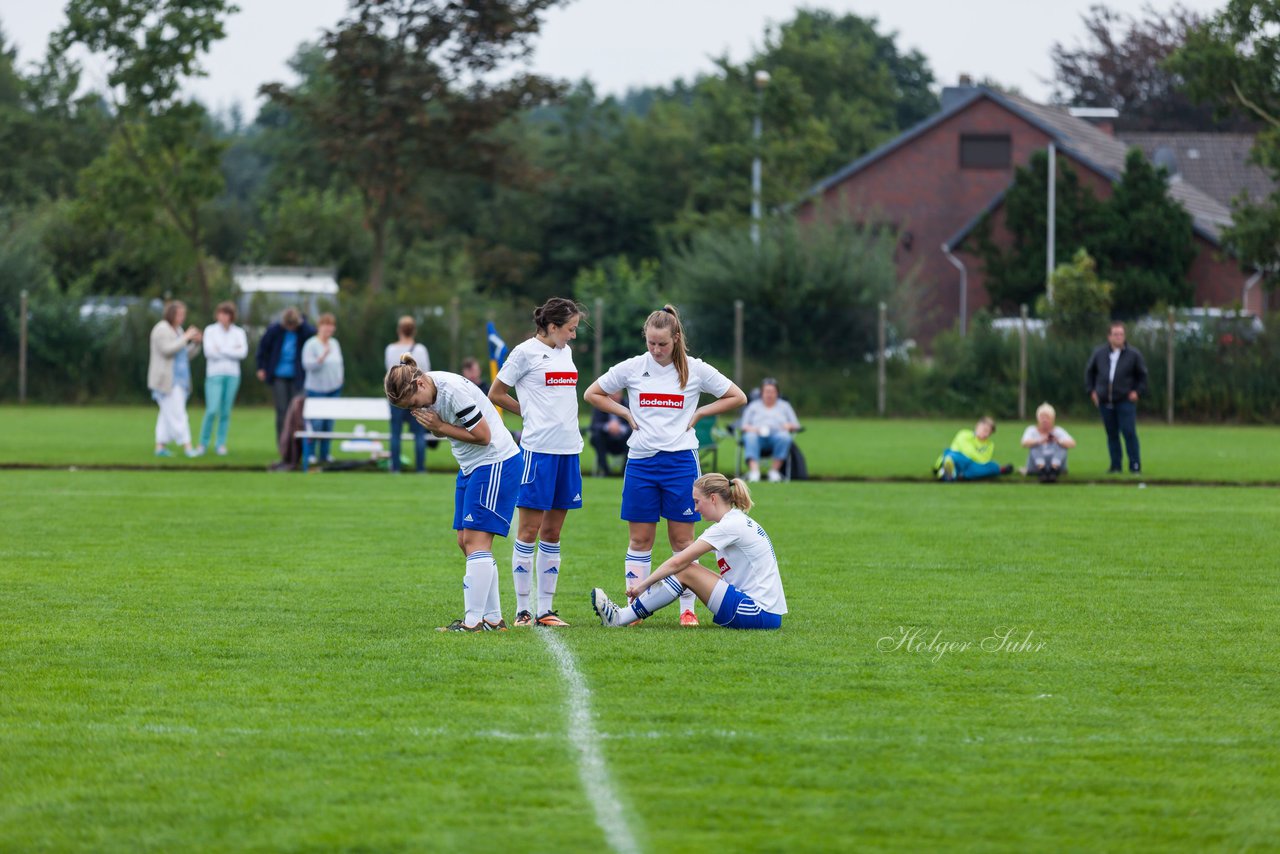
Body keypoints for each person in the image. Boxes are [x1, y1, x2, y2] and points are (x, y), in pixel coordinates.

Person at [584, 304, 747, 627]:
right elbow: (593, 394)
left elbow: (737, 396)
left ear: (676, 338)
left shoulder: (696, 369)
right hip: (641, 463)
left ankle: (688, 610)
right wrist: (625, 414)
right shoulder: (633, 367)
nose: (656, 350)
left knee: (683, 542)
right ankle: (635, 611)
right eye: (650, 343)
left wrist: (701, 413)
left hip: (681, 464)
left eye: (663, 344)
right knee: (640, 540)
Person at [384, 353, 521, 632]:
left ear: (420, 384)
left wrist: (440, 428)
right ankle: (494, 620)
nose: (413, 410)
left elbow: (484, 436)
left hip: (495, 461)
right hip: (471, 466)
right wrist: (439, 429)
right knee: (465, 541)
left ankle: (472, 623)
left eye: (412, 404)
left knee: (475, 541)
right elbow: (453, 431)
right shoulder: (426, 389)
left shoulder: (453, 391)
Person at [488, 297, 584, 628]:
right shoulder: (524, 353)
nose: (573, 336)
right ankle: (522, 610)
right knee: (529, 531)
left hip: (569, 451)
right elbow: (496, 392)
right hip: (537, 452)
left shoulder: (565, 352)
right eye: (570, 329)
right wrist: (526, 413)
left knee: (553, 532)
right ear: (552, 327)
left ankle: (546, 610)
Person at [591, 474, 786, 630]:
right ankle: (625, 615)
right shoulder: (736, 521)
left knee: (685, 569)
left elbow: (678, 563)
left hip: (758, 613)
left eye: (697, 502)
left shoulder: (729, 526)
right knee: (690, 569)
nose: (695, 509)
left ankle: (621, 618)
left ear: (713, 498)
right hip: (764, 612)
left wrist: (642, 586)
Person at [1085, 321, 1148, 474]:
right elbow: (1089, 372)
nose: (1119, 337)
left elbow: (1143, 375)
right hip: (1105, 401)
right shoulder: (1099, 353)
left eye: (1121, 334)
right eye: (1115, 334)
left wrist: (1137, 392)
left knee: (1129, 432)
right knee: (1112, 434)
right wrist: (1092, 391)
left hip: (1125, 401)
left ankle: (1135, 466)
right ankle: (1115, 466)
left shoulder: (1133, 355)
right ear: (1109, 337)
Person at [148, 300, 202, 458]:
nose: (182, 317)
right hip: (167, 380)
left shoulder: (178, 330)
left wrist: (196, 343)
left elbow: (184, 354)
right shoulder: (161, 329)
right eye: (180, 314)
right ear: (171, 314)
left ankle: (160, 447)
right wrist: (185, 337)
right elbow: (167, 350)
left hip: (181, 379)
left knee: (166, 415)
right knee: (178, 414)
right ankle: (188, 446)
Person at [256, 307, 316, 444]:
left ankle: (297, 443)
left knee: (298, 411)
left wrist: (303, 323)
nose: (290, 328)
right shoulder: (274, 330)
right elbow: (262, 349)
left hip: (298, 377)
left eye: (293, 326)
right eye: (288, 326)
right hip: (279, 376)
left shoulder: (303, 331)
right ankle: (282, 443)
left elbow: (314, 334)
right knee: (282, 411)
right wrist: (261, 367)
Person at [196, 301, 248, 456]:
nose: (223, 317)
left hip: (232, 375)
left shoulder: (238, 332)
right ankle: (203, 443)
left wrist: (222, 349)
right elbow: (209, 352)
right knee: (212, 410)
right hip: (214, 374)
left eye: (226, 314)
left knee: (225, 411)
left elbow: (243, 353)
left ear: (231, 316)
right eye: (221, 313)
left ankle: (221, 443)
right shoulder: (210, 330)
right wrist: (232, 350)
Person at [384, 316, 432, 473]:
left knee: (395, 434)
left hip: (396, 397)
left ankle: (395, 468)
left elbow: (389, 372)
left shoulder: (390, 349)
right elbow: (426, 372)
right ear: (414, 331)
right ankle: (420, 468)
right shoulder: (421, 350)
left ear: (399, 330)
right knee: (419, 434)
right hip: (416, 397)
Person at [301, 313, 345, 464]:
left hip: (334, 389)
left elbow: (339, 363)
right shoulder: (311, 344)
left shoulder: (335, 343)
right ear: (320, 327)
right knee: (316, 423)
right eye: (326, 325)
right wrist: (321, 358)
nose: (329, 329)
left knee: (329, 423)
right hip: (316, 389)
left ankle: (325, 454)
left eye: (331, 326)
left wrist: (340, 378)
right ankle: (311, 453)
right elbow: (307, 365)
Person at [740, 378, 801, 482]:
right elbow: (744, 426)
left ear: (777, 393)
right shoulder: (753, 406)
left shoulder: (785, 406)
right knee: (750, 437)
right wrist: (755, 429)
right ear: (762, 393)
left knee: (785, 437)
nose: (769, 394)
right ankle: (754, 472)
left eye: (772, 392)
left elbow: (796, 425)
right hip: (757, 436)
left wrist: (788, 426)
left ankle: (774, 471)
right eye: (767, 392)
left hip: (777, 436)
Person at [934, 416, 1013, 482]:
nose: (986, 434)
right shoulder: (964, 434)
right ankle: (951, 473)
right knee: (951, 455)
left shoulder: (989, 444)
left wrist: (974, 458)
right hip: (958, 460)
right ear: (978, 425)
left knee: (993, 466)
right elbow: (967, 452)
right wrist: (975, 456)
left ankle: (950, 474)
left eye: (989, 432)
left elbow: (983, 459)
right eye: (985, 430)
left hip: (973, 465)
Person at [1020, 402, 1077, 482]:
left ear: (1053, 419)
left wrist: (1058, 441)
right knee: (1034, 446)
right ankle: (1042, 470)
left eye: (1047, 417)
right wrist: (1040, 441)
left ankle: (1053, 469)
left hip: (1056, 464)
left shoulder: (1058, 431)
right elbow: (1024, 443)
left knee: (1062, 446)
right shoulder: (1031, 430)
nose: (1044, 420)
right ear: (1038, 418)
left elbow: (1072, 443)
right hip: (1036, 465)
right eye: (1042, 417)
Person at [589, 389, 632, 476]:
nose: (615, 396)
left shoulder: (628, 405)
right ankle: (605, 471)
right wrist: (608, 427)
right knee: (597, 436)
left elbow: (633, 425)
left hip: (623, 441)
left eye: (618, 393)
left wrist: (620, 428)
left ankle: (625, 472)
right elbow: (594, 425)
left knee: (631, 436)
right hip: (606, 440)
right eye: (613, 393)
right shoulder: (600, 405)